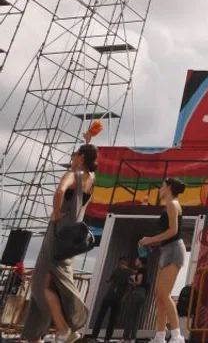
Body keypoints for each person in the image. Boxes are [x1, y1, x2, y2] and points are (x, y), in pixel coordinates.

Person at [22, 127, 99, 343]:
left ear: (80, 158)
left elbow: (59, 191)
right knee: (52, 283)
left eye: (74, 155)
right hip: (71, 238)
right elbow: (88, 162)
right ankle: (39, 335)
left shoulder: (73, 175)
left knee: (40, 284)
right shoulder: (91, 178)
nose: (71, 158)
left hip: (58, 233)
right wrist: (88, 142)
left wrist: (56, 213)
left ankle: (64, 329)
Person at [138, 178, 187, 343]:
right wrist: (150, 242)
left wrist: (150, 240)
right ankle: (160, 335)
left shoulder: (172, 204)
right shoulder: (169, 205)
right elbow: (169, 234)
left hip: (174, 250)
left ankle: (177, 336)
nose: (160, 188)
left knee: (164, 294)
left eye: (162, 186)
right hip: (167, 249)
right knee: (159, 295)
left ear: (169, 187)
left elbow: (173, 231)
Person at [90, 256, 134, 342]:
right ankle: (95, 336)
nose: (121, 265)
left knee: (111, 319)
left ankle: (106, 338)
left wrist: (124, 297)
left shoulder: (130, 273)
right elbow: (111, 280)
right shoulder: (116, 271)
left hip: (117, 298)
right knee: (102, 317)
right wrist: (108, 280)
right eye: (120, 263)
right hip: (109, 296)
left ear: (126, 263)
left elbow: (130, 286)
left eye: (123, 263)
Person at [121, 257, 149, 343]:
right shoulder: (144, 270)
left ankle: (125, 338)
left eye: (137, 260)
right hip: (142, 293)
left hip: (137, 292)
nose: (135, 261)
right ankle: (133, 338)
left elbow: (139, 282)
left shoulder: (141, 270)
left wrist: (132, 282)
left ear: (140, 261)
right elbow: (134, 272)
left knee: (130, 315)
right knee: (136, 317)